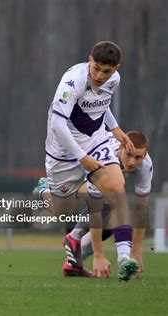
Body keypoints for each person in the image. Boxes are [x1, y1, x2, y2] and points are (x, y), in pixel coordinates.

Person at [35, 41, 140, 281]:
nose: (101, 76)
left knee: (116, 188)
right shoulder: (73, 81)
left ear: (116, 68)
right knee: (63, 212)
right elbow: (58, 124)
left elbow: (101, 105)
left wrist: (114, 128)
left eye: (107, 71)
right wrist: (82, 158)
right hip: (63, 150)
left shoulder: (115, 79)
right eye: (97, 68)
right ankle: (42, 191)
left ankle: (125, 258)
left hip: (95, 140)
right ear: (89, 60)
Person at [71, 131, 153, 278]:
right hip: (73, 169)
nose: (132, 162)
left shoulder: (146, 166)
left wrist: (137, 252)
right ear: (120, 148)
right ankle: (45, 192)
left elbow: (141, 209)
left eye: (138, 157)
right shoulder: (104, 160)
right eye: (129, 155)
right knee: (107, 202)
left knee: (112, 222)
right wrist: (99, 255)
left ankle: (76, 255)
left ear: (145, 156)